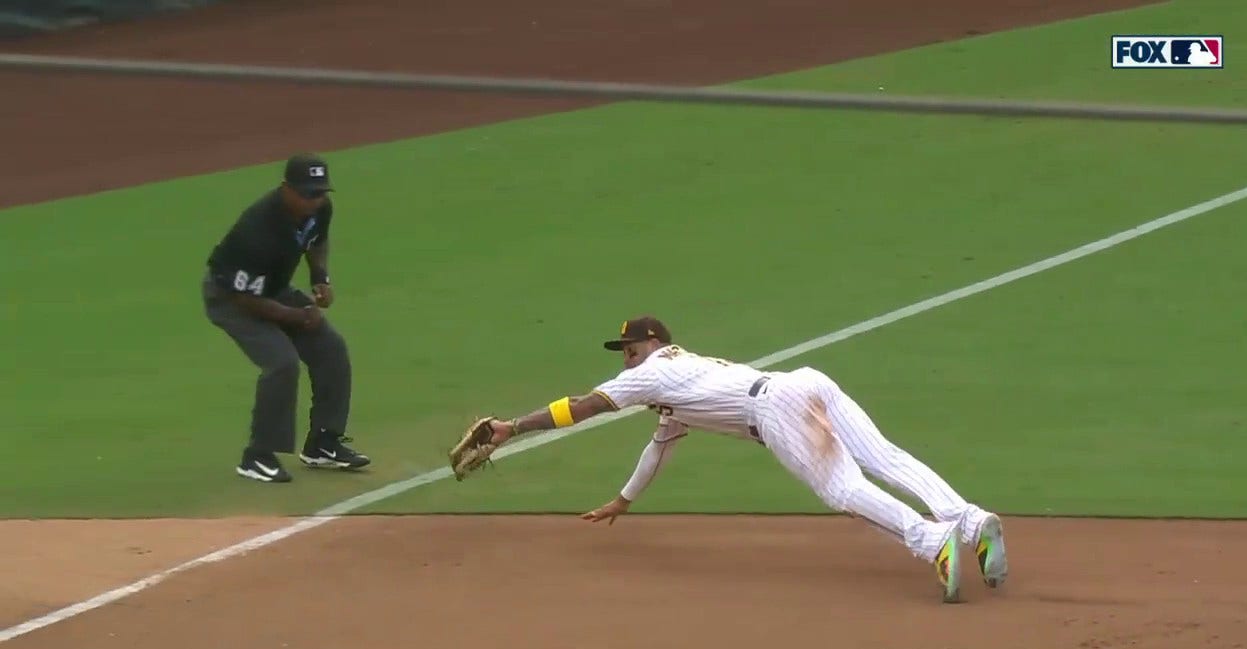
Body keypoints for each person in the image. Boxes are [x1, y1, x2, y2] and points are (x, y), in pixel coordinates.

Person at [472, 316, 1008, 603]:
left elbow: (584, 407)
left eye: (629, 347)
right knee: (884, 457)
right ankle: (969, 519)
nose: (625, 358)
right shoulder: (681, 383)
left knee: (842, 489)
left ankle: (934, 542)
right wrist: (624, 500)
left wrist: (512, 427)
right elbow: (658, 447)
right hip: (805, 381)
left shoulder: (652, 373)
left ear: (653, 343)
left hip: (774, 412)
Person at [201, 153, 370, 483]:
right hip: (230, 297)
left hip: (271, 288)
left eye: (319, 192)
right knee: (281, 363)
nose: (314, 201)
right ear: (286, 189)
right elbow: (244, 299)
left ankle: (323, 443)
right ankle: (257, 455)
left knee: (331, 349)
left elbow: (317, 239)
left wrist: (320, 277)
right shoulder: (257, 229)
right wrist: (296, 315)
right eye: (307, 193)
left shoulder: (320, 209)